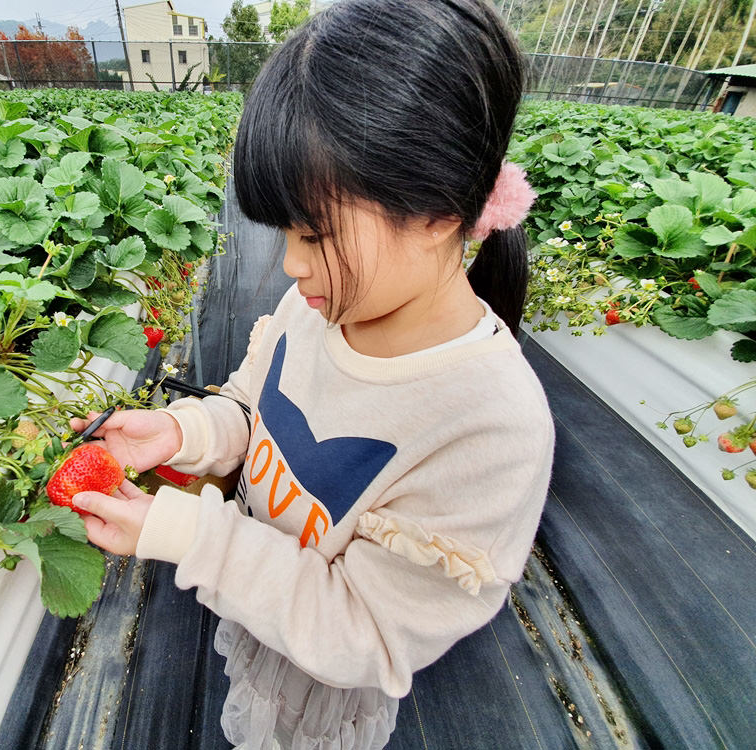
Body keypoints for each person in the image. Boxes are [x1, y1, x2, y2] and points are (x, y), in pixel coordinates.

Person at [68, 0, 555, 747]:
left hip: (318, 689)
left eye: (315, 233)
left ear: (436, 210)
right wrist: (178, 432)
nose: (292, 266)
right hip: (258, 608)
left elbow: (364, 630)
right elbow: (254, 410)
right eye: (288, 233)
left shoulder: (491, 426)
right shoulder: (316, 307)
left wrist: (190, 534)